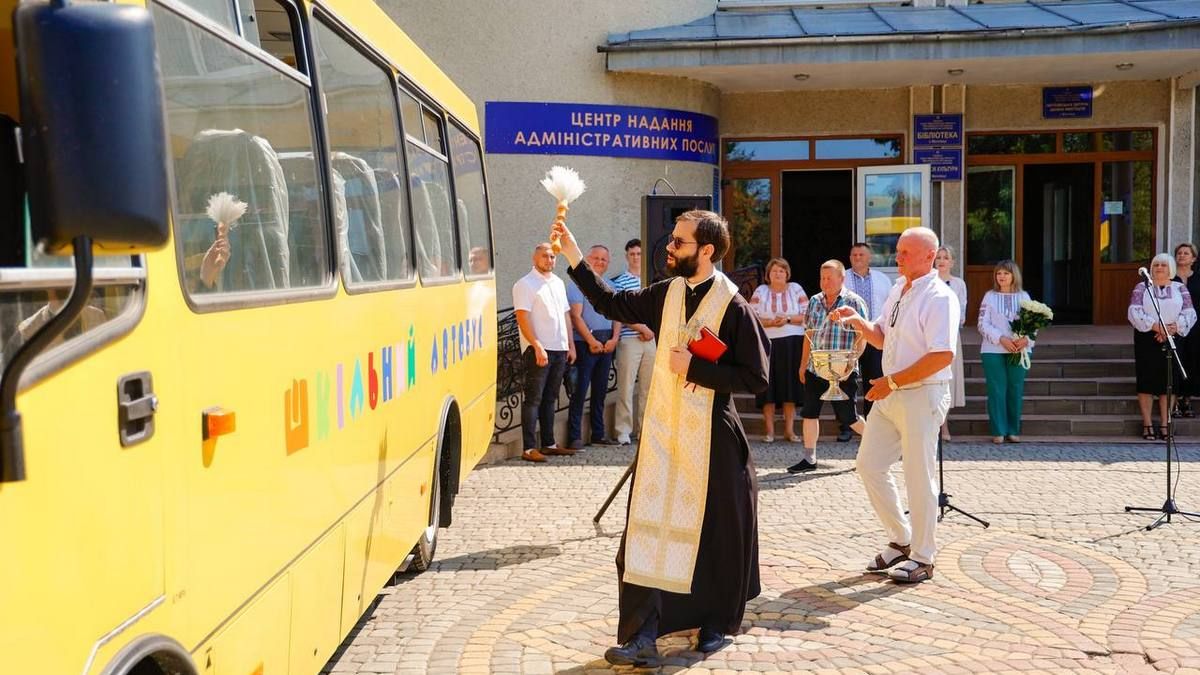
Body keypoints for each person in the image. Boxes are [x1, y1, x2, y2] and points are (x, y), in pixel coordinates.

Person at [553, 210, 769, 667]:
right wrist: (573, 252)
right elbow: (611, 302)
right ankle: (640, 637)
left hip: (715, 440)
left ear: (707, 251)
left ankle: (713, 622)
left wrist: (697, 369)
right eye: (671, 240)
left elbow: (756, 377)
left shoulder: (733, 305)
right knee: (644, 536)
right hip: (661, 440)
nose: (669, 248)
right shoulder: (665, 293)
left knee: (713, 537)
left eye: (679, 243)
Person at [831, 226, 959, 585]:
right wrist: (858, 323)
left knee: (919, 476)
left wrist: (893, 382)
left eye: (905, 252)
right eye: (899, 251)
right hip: (892, 392)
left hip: (922, 393)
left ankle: (924, 556)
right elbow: (882, 335)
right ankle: (902, 539)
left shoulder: (939, 296)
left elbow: (942, 355)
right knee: (869, 465)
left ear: (928, 256)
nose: (897, 257)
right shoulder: (899, 289)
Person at [793, 260, 867, 473]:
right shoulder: (815, 301)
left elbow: (863, 336)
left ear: (841, 279)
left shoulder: (854, 302)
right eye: (822, 278)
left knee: (849, 417)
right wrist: (802, 365)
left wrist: (852, 362)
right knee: (809, 412)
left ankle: (878, 448)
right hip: (816, 367)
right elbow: (809, 334)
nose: (824, 282)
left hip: (843, 369)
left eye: (829, 278)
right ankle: (809, 459)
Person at [512, 242, 577, 462]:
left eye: (552, 257)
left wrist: (570, 344)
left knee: (550, 398)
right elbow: (522, 317)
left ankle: (548, 443)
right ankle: (529, 448)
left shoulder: (558, 282)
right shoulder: (525, 284)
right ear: (535, 258)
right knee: (533, 399)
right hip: (538, 349)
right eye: (545, 256)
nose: (549, 260)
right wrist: (536, 344)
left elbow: (566, 315)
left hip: (559, 348)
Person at [1130, 252, 1196, 441]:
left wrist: (1173, 328)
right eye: (1156, 265)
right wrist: (1156, 326)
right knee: (1147, 380)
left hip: (1174, 337)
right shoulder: (1142, 287)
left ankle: (1166, 425)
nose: (1159, 268)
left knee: (1170, 381)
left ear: (1171, 269)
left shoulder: (1179, 288)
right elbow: (1134, 311)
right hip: (1147, 337)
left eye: (1163, 265)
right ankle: (1148, 424)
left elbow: (1189, 311)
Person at [566, 244, 622, 449]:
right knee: (579, 391)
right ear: (588, 259)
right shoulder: (576, 284)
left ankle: (598, 434)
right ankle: (574, 437)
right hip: (584, 342)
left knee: (600, 391)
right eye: (596, 258)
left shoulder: (609, 285)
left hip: (607, 341)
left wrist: (615, 338)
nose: (600, 262)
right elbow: (575, 316)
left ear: (608, 263)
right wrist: (591, 341)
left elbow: (617, 314)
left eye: (604, 260)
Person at [750, 258, 808, 443]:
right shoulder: (761, 291)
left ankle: (790, 431)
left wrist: (788, 319)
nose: (778, 274)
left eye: (782, 271)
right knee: (769, 388)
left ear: (787, 274)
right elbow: (752, 316)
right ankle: (769, 432)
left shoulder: (796, 289)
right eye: (774, 271)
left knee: (789, 387)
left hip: (792, 343)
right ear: (768, 274)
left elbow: (807, 314)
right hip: (768, 344)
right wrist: (769, 322)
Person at [977, 260, 1032, 444]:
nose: (1002, 276)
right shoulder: (989, 296)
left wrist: (1026, 339)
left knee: (1015, 389)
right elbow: (982, 324)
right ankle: (998, 430)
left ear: (1014, 275)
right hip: (993, 349)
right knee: (996, 389)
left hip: (1018, 349)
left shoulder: (1024, 296)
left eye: (1006, 273)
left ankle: (1013, 430)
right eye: (999, 273)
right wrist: (1001, 338)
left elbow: (1033, 323)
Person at [610, 238, 656, 446]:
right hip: (630, 341)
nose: (636, 257)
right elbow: (620, 312)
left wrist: (652, 331)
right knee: (626, 387)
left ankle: (645, 430)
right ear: (627, 256)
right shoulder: (621, 282)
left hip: (652, 340)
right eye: (632, 254)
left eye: (639, 254)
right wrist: (641, 328)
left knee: (649, 388)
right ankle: (623, 431)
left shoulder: (651, 281)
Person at [846, 242, 892, 435]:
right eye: (854, 255)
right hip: (848, 337)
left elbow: (890, 307)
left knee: (873, 380)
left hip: (875, 335)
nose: (857, 258)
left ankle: (873, 425)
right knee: (847, 381)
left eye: (861, 255)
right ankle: (847, 425)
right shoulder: (842, 278)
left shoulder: (883, 279)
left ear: (869, 258)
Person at [935, 246, 968, 441]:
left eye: (945, 257)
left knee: (948, 381)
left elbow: (962, 314)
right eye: (938, 257)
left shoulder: (959, 284)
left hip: (951, 337)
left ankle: (944, 427)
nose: (941, 261)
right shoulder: (928, 282)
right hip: (930, 337)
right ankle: (937, 427)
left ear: (952, 262)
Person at [1172, 243, 1200, 418]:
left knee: (1192, 360)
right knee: (1176, 361)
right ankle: (1174, 401)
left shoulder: (1198, 277)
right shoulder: (1170, 278)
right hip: (1175, 326)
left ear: (1193, 258)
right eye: (1179, 253)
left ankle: (1187, 399)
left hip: (1196, 327)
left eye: (1186, 253)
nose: (1182, 256)